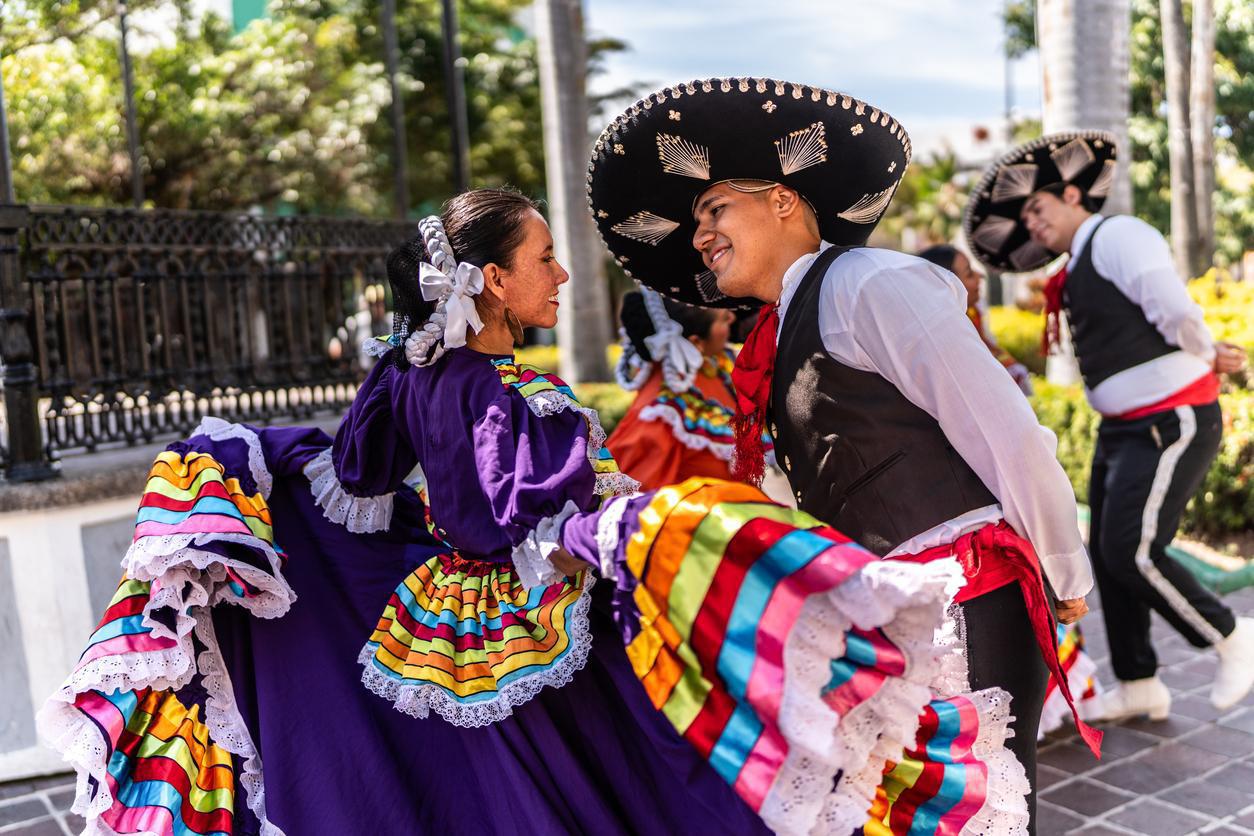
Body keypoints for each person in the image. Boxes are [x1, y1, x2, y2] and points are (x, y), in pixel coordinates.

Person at [40, 187, 1029, 836]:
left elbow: (356, 469)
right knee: (646, 761)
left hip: (443, 606)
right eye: (546, 257)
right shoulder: (489, 389)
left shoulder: (409, 367)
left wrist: (272, 459)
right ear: (495, 281)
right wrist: (587, 485)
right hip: (512, 608)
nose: (562, 275)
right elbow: (512, 502)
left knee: (519, 781)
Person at [587, 76, 1102, 832]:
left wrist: (1063, 569)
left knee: (981, 815)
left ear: (785, 201)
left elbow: (1006, 431)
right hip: (890, 612)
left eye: (714, 208)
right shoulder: (781, 325)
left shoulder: (869, 280)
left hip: (966, 600)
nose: (699, 235)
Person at [963, 130, 1254, 720]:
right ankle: (1140, 684)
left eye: (1038, 210)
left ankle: (1232, 634)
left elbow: (1168, 303)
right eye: (1026, 221)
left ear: (1073, 194)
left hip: (1169, 420)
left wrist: (1205, 350)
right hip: (1123, 429)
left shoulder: (1118, 233)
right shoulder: (1078, 263)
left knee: (1134, 552)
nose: (1034, 227)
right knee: (1108, 554)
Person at [607, 287, 770, 488]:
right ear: (696, 342)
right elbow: (639, 499)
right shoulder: (662, 413)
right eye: (721, 317)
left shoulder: (714, 368)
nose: (731, 317)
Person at [917, 244, 1034, 396]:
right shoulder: (945, 341)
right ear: (947, 287)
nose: (981, 276)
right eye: (969, 274)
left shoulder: (972, 315)